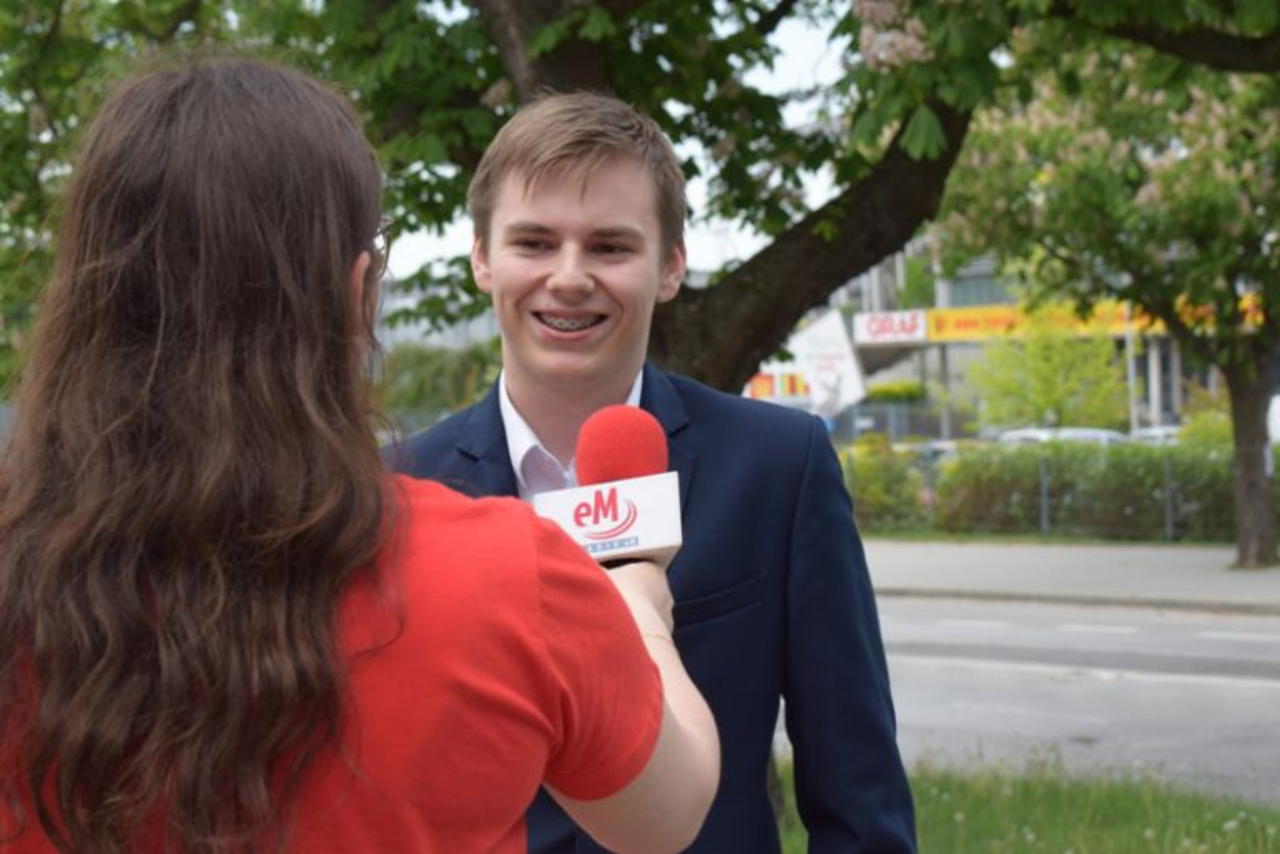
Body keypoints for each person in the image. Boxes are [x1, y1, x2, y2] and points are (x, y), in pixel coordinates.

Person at [0, 58, 718, 854]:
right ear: (356, 288)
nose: (570, 276)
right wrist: (638, 603)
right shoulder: (512, 574)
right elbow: (666, 816)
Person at [389, 93, 917, 852]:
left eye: (610, 247)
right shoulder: (400, 490)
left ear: (670, 267)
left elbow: (859, 794)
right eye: (534, 242)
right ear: (481, 258)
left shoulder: (778, 468)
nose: (569, 277)